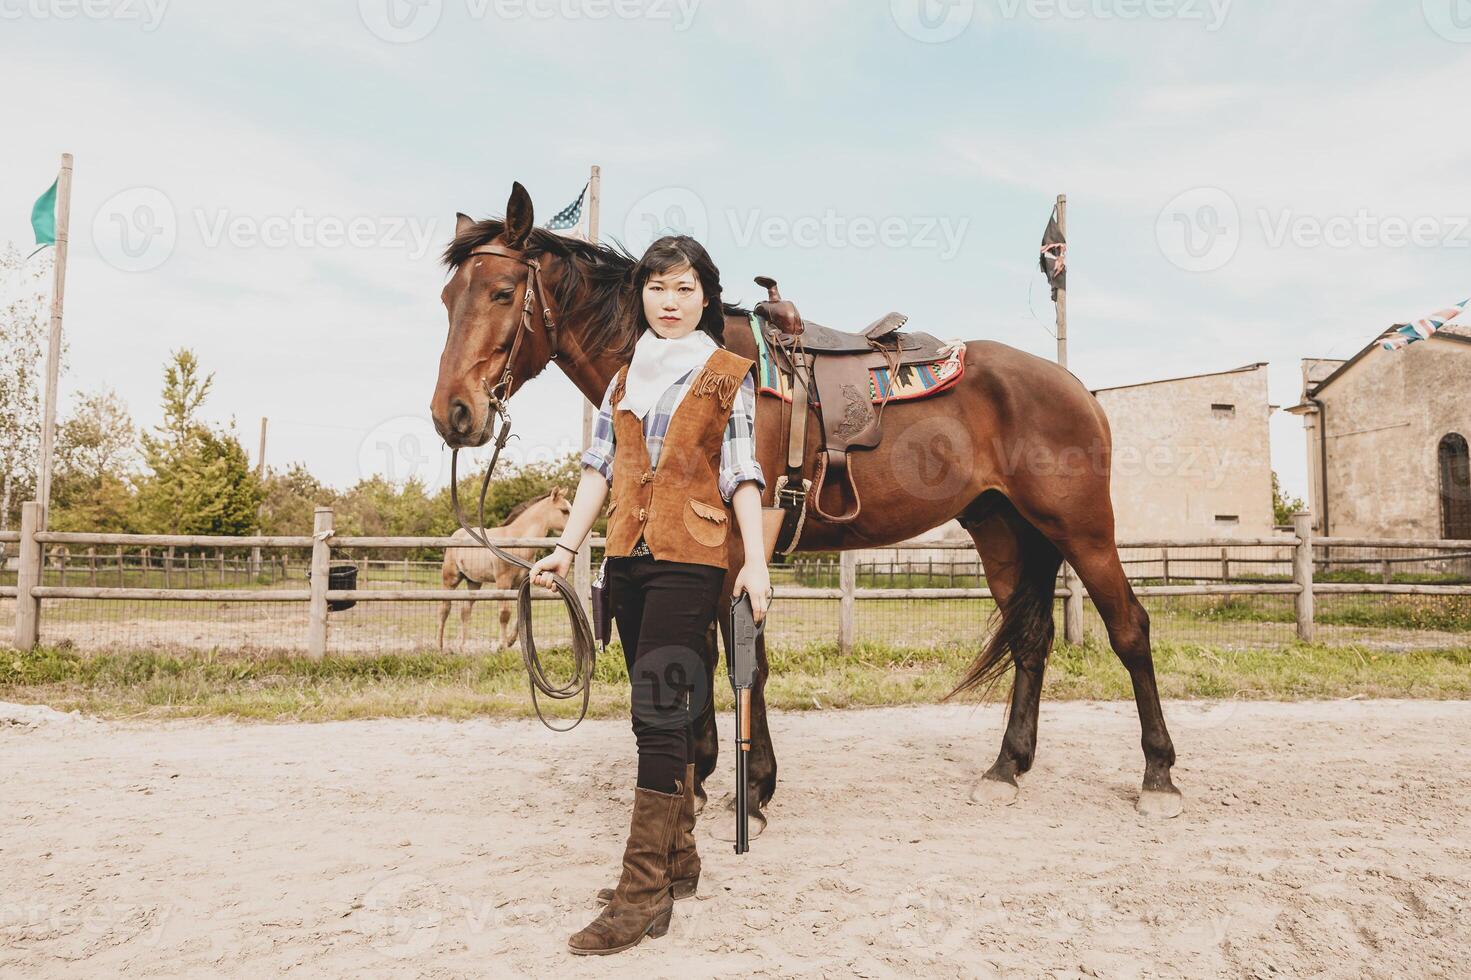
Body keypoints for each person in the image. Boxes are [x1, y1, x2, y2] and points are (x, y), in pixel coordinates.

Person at [526, 234, 770, 956]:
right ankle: (679, 863)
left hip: (691, 559)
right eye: (658, 288)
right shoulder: (622, 377)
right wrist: (565, 548)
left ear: (706, 298)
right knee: (667, 709)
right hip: (625, 559)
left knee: (657, 714)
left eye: (685, 289)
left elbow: (742, 473)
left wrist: (754, 562)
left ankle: (639, 893)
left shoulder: (729, 373)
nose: (670, 302)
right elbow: (599, 466)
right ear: (641, 295)